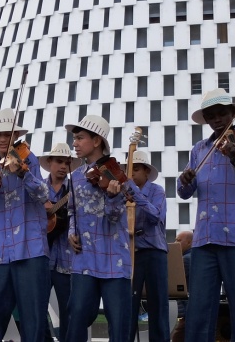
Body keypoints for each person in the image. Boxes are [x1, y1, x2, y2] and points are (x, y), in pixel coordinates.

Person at [178, 88, 235, 342]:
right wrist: (184, 180)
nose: (217, 120)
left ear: (232, 114)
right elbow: (184, 192)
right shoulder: (198, 149)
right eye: (211, 116)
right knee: (198, 311)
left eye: (222, 114)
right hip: (205, 240)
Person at [0, 107, 50, 341]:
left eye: (7, 133)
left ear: (15, 136)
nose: (3, 138)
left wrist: (24, 174)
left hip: (30, 250)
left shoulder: (29, 160)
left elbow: (45, 195)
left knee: (33, 320)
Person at [65, 115, 150, 342]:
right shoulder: (74, 177)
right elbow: (72, 210)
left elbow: (115, 217)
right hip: (83, 258)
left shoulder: (118, 176)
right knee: (77, 319)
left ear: (96, 141)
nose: (74, 143)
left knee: (119, 325)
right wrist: (71, 231)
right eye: (74, 138)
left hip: (115, 258)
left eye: (80, 138)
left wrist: (113, 198)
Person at [39, 142, 82, 342]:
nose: (63, 166)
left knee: (68, 311)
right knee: (37, 309)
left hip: (67, 260)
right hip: (42, 259)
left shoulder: (75, 189)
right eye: (59, 161)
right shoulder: (38, 189)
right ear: (49, 162)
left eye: (67, 162)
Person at [126, 150, 168, 342]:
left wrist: (135, 194)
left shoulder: (157, 190)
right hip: (130, 251)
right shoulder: (123, 192)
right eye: (129, 170)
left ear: (146, 172)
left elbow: (155, 216)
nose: (131, 174)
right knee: (129, 302)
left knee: (158, 302)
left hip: (153, 250)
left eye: (135, 169)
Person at [170, 230, 193, 342]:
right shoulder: (194, 257)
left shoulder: (185, 260)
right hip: (189, 307)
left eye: (178, 240)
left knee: (178, 337)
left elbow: (174, 281)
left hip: (187, 306)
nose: (175, 242)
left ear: (189, 243)